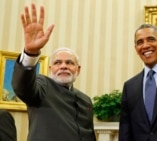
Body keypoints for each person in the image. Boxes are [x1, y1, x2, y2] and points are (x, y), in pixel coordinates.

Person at [11, 3, 96, 141]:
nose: (63, 66)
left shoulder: (85, 100)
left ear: (78, 69)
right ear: (50, 69)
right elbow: (22, 87)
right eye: (57, 63)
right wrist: (30, 53)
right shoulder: (42, 86)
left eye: (69, 63)